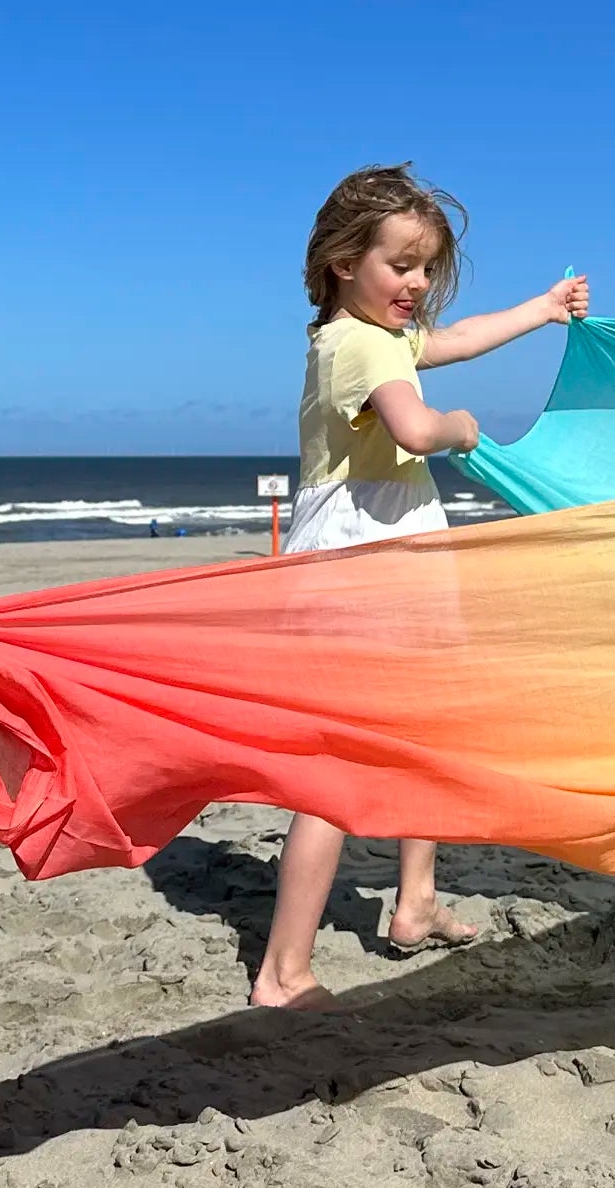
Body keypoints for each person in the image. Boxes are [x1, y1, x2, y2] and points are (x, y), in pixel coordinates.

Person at [251, 164, 589, 1009]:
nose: (418, 284)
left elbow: (458, 338)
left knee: (422, 737)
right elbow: (412, 423)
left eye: (428, 266)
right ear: (341, 260)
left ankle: (415, 903)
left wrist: (541, 311)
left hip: (391, 559)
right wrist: (456, 427)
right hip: (363, 570)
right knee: (332, 774)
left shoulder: (365, 337)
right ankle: (283, 972)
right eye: (401, 264)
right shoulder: (359, 346)